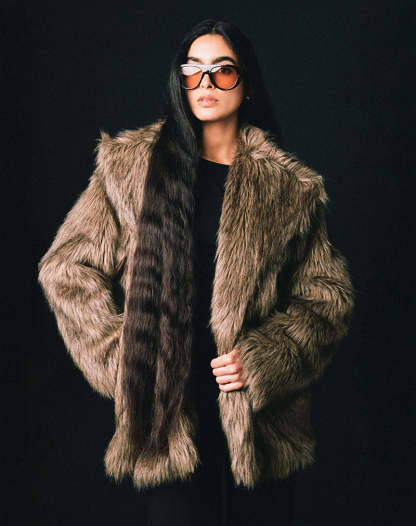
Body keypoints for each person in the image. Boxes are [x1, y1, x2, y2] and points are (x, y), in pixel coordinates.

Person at [37, 18, 355, 526]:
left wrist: (264, 359)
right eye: (193, 70)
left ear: (247, 85)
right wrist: (129, 359)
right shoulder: (130, 167)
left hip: (260, 430)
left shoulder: (289, 188)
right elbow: (66, 268)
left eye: (222, 71)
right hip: (166, 425)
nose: (205, 83)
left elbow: (327, 298)